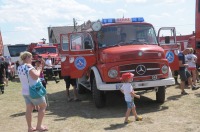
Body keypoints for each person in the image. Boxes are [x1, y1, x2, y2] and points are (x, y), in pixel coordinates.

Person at [17, 51, 48, 132]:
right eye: (30, 57)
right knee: (43, 106)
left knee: (29, 109)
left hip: (25, 91)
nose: (32, 59)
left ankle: (30, 128)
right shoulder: (29, 66)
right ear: (27, 57)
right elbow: (35, 76)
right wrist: (39, 70)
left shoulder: (19, 67)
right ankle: (39, 126)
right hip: (33, 91)